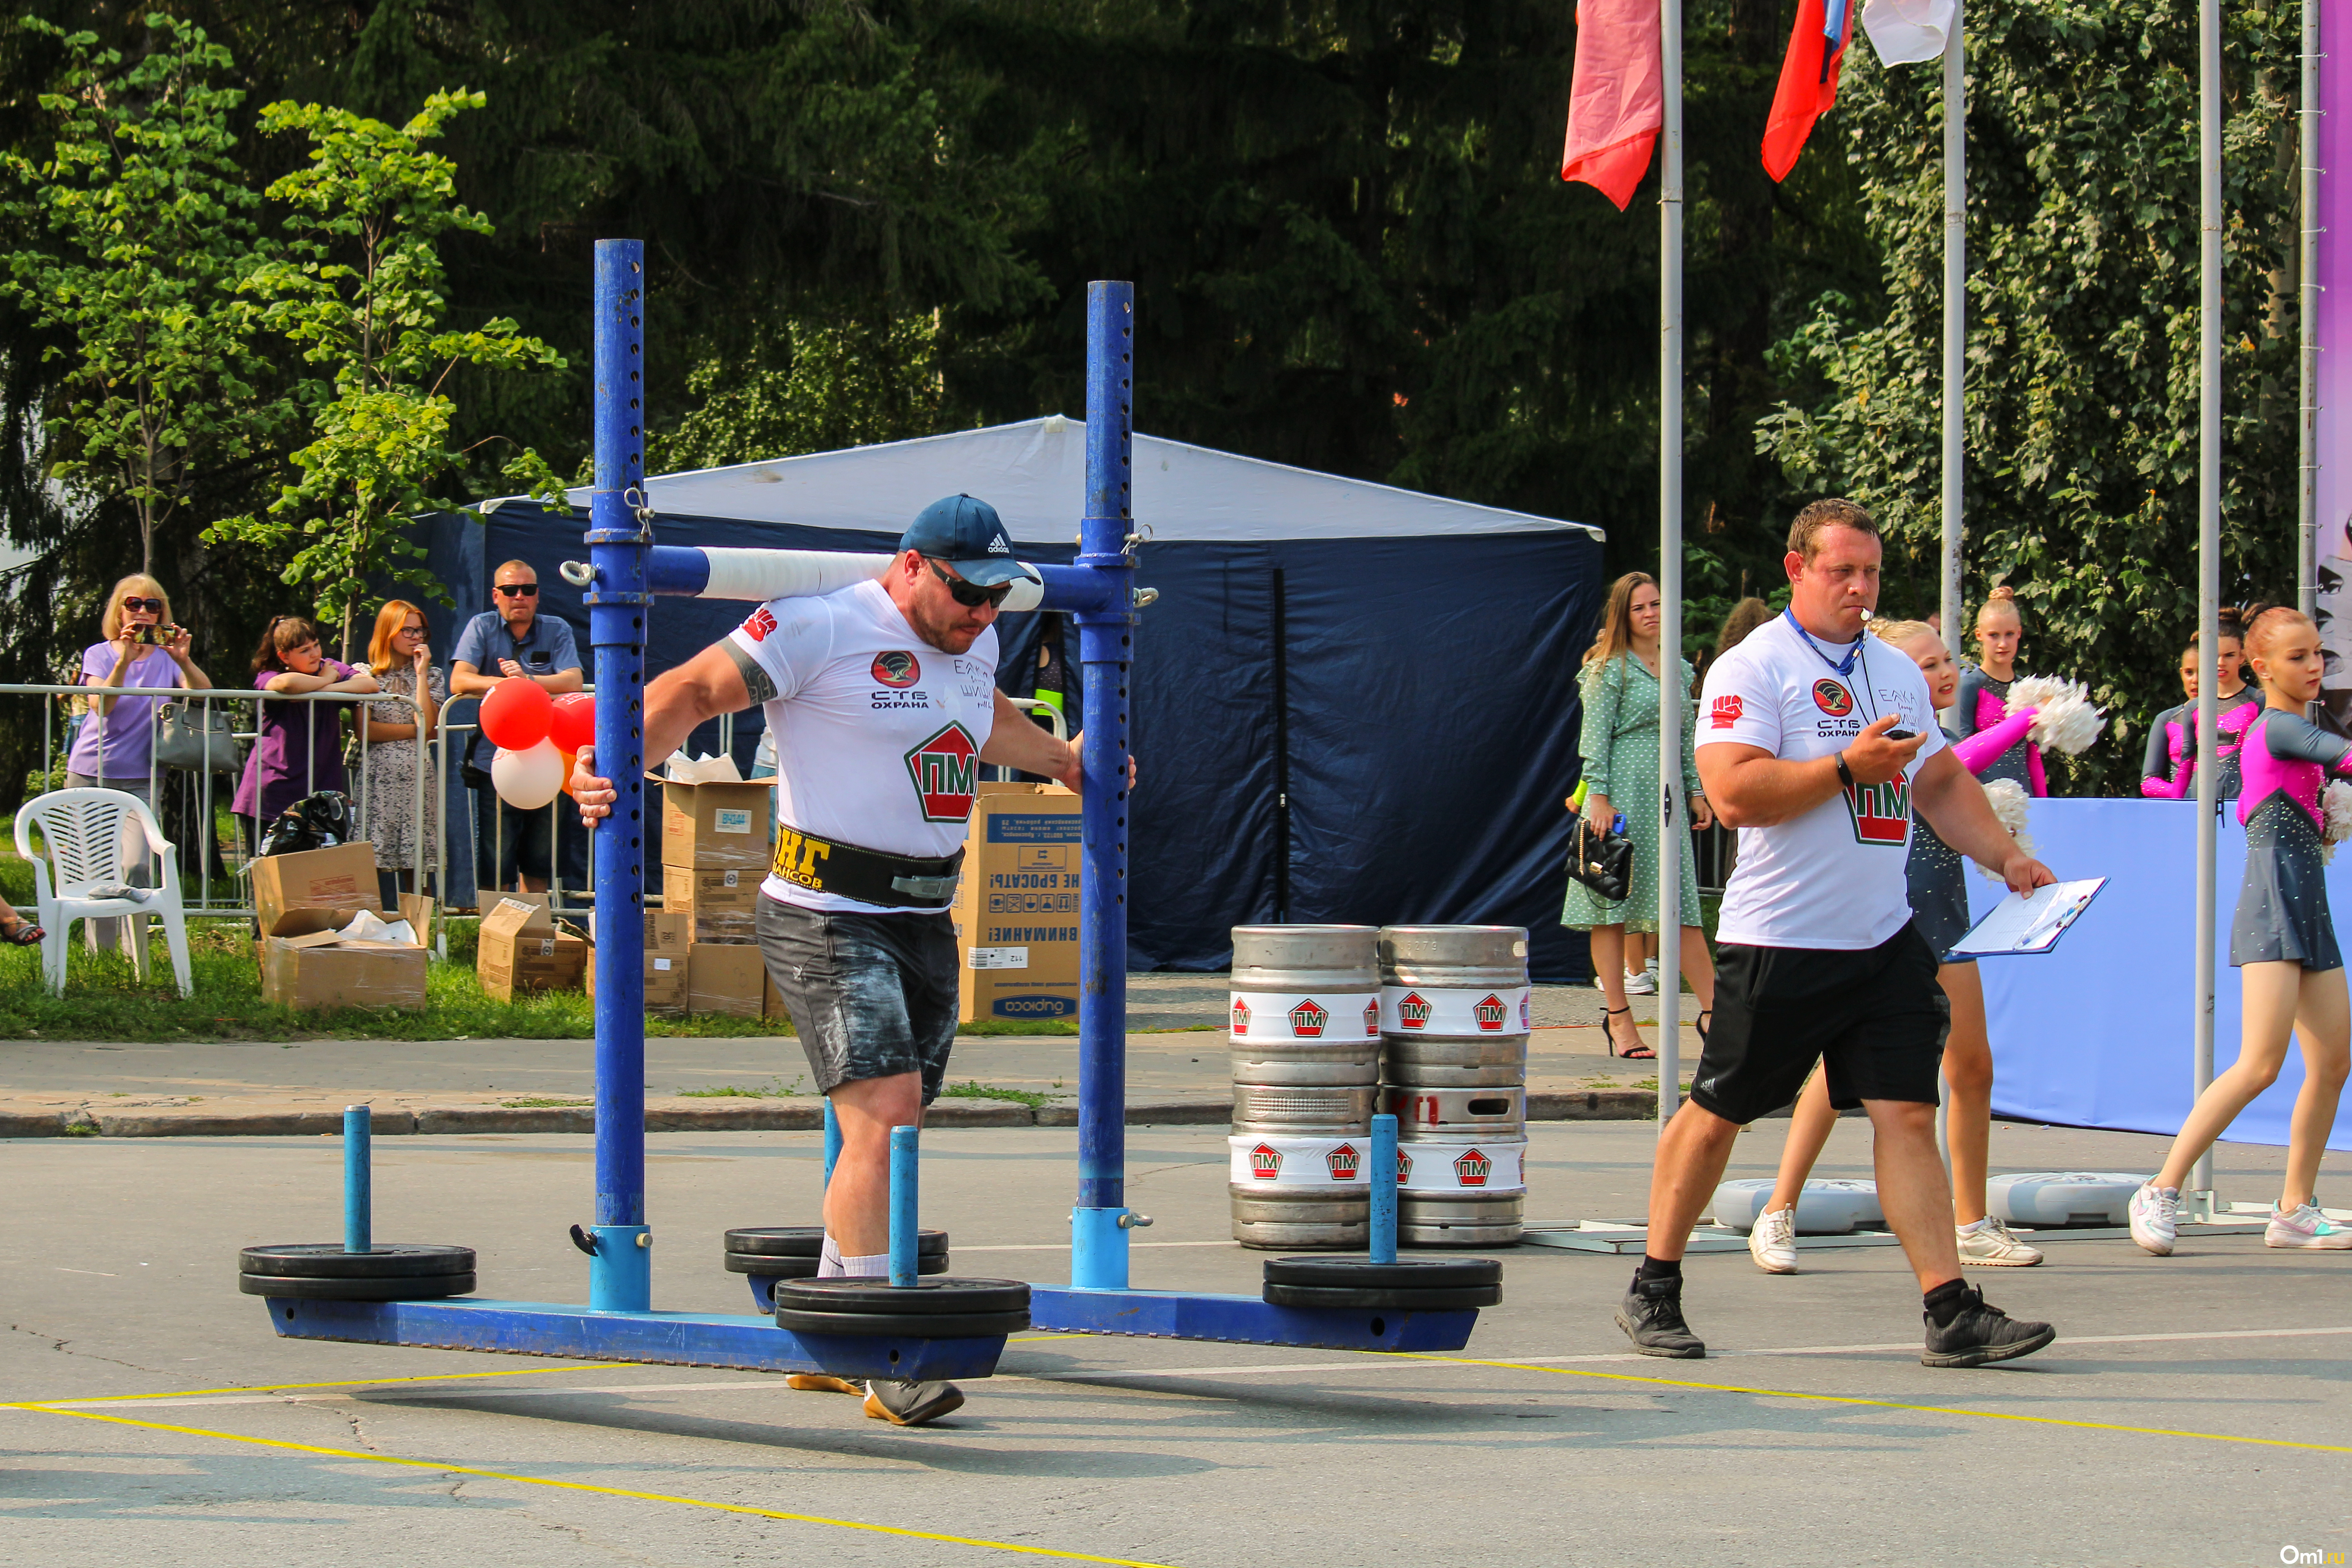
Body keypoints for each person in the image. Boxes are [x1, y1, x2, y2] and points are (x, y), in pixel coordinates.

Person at [568, 494, 1132, 1426]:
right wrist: (604, 760)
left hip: (923, 915)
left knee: (896, 1128)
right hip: (825, 912)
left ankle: (835, 1318)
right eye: (965, 592)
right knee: (887, 1108)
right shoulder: (819, 624)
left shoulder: (973, 640)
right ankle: (880, 1351)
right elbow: (693, 688)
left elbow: (979, 715)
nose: (982, 613)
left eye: (998, 596)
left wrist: (1061, 760)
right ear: (911, 565)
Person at [1616, 497, 2057, 1369]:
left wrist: (2007, 856)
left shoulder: (1894, 669)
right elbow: (1735, 794)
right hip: (1780, 937)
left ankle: (1949, 1307)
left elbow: (1936, 782)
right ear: (1796, 569)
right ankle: (1653, 1284)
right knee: (1718, 1113)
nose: (1859, 588)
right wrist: (1845, 766)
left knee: (1905, 1113)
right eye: (1841, 571)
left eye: (1871, 573)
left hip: (1881, 937)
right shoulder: (1754, 665)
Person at [1745, 617, 2047, 1275]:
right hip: (1884, 917)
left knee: (1972, 1066)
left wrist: (2010, 851)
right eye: (1927, 665)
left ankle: (1970, 1220)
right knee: (1835, 1075)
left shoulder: (1939, 741)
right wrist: (2022, 726)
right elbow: (1951, 772)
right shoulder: (1880, 743)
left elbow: (1958, 785)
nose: (1944, 675)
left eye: (1946, 663)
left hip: (1947, 912)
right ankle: (1779, 1208)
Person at [2129, 606, 2352, 1253]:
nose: (2313, 666)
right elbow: (2342, 756)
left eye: (2318, 655)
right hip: (2273, 902)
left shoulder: (2298, 725)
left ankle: (2293, 1208)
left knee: (2333, 1062)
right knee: (2259, 1065)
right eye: (2297, 657)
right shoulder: (2279, 728)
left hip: (2311, 905)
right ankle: (2162, 1187)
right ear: (2261, 667)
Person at [1561, 573, 1717, 1059]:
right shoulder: (1609, 669)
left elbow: (1686, 735)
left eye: (1657, 604)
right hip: (1619, 797)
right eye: (1639, 607)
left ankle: (1718, 1016)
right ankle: (1619, 1018)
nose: (1651, 613)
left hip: (1666, 798)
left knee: (1681, 907)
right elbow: (1594, 738)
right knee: (1610, 908)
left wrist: (1696, 791)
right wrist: (1600, 798)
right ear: (1623, 617)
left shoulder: (1677, 668)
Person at [68, 574, 212, 954]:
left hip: (144, 777)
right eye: (135, 604)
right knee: (97, 869)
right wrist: (124, 661)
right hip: (91, 770)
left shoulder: (168, 659)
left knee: (137, 866)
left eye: (154, 606)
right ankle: (102, 954)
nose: (145, 612)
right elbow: (103, 706)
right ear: (120, 611)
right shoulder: (99, 653)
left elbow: (204, 694)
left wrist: (184, 659)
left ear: (163, 613)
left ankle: (136, 956)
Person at [450, 560, 584, 898]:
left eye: (529, 590)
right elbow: (459, 680)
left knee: (541, 860)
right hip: (495, 760)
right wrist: (510, 687)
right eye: (511, 590)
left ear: (538, 596)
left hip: (550, 758)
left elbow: (573, 680)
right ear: (496, 596)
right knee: (497, 859)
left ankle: (534, 939)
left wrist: (527, 683)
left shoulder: (557, 629)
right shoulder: (481, 627)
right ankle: (496, 939)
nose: (520, 596)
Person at [232, 616, 379, 842]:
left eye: (316, 645)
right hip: (272, 794)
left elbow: (369, 685)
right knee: (271, 875)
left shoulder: (328, 668)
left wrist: (325, 683)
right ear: (284, 656)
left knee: (316, 876)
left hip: (320, 794)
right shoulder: (269, 674)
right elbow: (286, 685)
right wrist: (328, 682)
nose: (314, 654)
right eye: (304, 650)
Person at [358, 601, 445, 906]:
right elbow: (367, 731)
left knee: (417, 859)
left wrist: (420, 675)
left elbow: (429, 724)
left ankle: (419, 932)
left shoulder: (432, 676)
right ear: (388, 632)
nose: (415, 636)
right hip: (377, 776)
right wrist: (415, 731)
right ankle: (370, 931)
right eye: (407, 630)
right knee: (371, 856)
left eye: (420, 630)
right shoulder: (365, 675)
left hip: (417, 776)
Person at [2141, 626, 2259, 800]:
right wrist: (2184, 795)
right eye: (2189, 673)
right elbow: (2149, 781)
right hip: (2193, 807)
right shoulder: (2172, 718)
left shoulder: (2258, 701)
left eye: (2229, 655)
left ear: (2242, 657)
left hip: (2242, 807)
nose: (2196, 680)